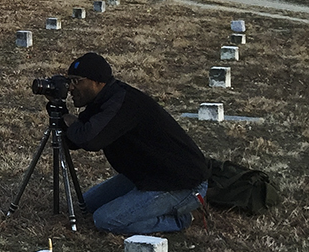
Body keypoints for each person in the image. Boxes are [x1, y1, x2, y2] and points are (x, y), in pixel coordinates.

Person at [60, 51, 208, 235]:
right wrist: (60, 113)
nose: (71, 88)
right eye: (69, 81)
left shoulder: (122, 103)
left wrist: (71, 122)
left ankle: (180, 219)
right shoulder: (101, 100)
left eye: (76, 81)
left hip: (180, 182)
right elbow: (76, 141)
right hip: (145, 175)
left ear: (97, 81)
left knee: (105, 220)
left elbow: (90, 140)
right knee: (87, 205)